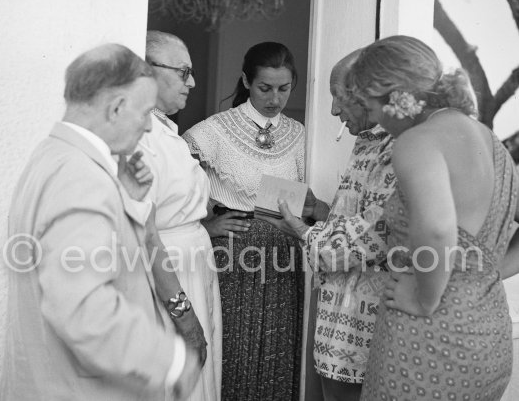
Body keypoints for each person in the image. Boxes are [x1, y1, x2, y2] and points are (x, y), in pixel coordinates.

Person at [0, 44, 200, 401]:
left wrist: (132, 206)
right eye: (145, 112)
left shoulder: (53, 155)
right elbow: (83, 307)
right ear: (117, 108)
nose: (150, 124)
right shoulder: (83, 178)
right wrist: (170, 362)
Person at [345, 35, 518, 401]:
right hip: (488, 336)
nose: (372, 119)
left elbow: (438, 229)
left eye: (369, 106)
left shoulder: (418, 141)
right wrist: (477, 277)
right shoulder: (490, 140)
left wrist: (424, 298)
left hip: (429, 338)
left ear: (392, 95)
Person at [261, 49, 396, 401]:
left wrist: (302, 231)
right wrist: (320, 209)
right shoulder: (366, 140)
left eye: (338, 98)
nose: (334, 111)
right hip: (337, 310)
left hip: (363, 321)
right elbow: (361, 219)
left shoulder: (398, 149)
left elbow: (372, 239)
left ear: (364, 94)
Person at [182, 41, 308, 401]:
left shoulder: (298, 133)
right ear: (246, 81)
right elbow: (171, 184)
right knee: (235, 349)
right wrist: (204, 226)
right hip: (235, 253)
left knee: (278, 350)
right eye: (264, 88)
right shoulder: (215, 130)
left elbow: (301, 196)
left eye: (284, 89)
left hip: (285, 256)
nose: (275, 98)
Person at [138, 31, 222, 401]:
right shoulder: (139, 136)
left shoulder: (166, 129)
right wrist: (183, 314)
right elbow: (145, 230)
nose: (192, 82)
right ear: (147, 70)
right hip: (170, 272)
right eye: (183, 71)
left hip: (193, 261)